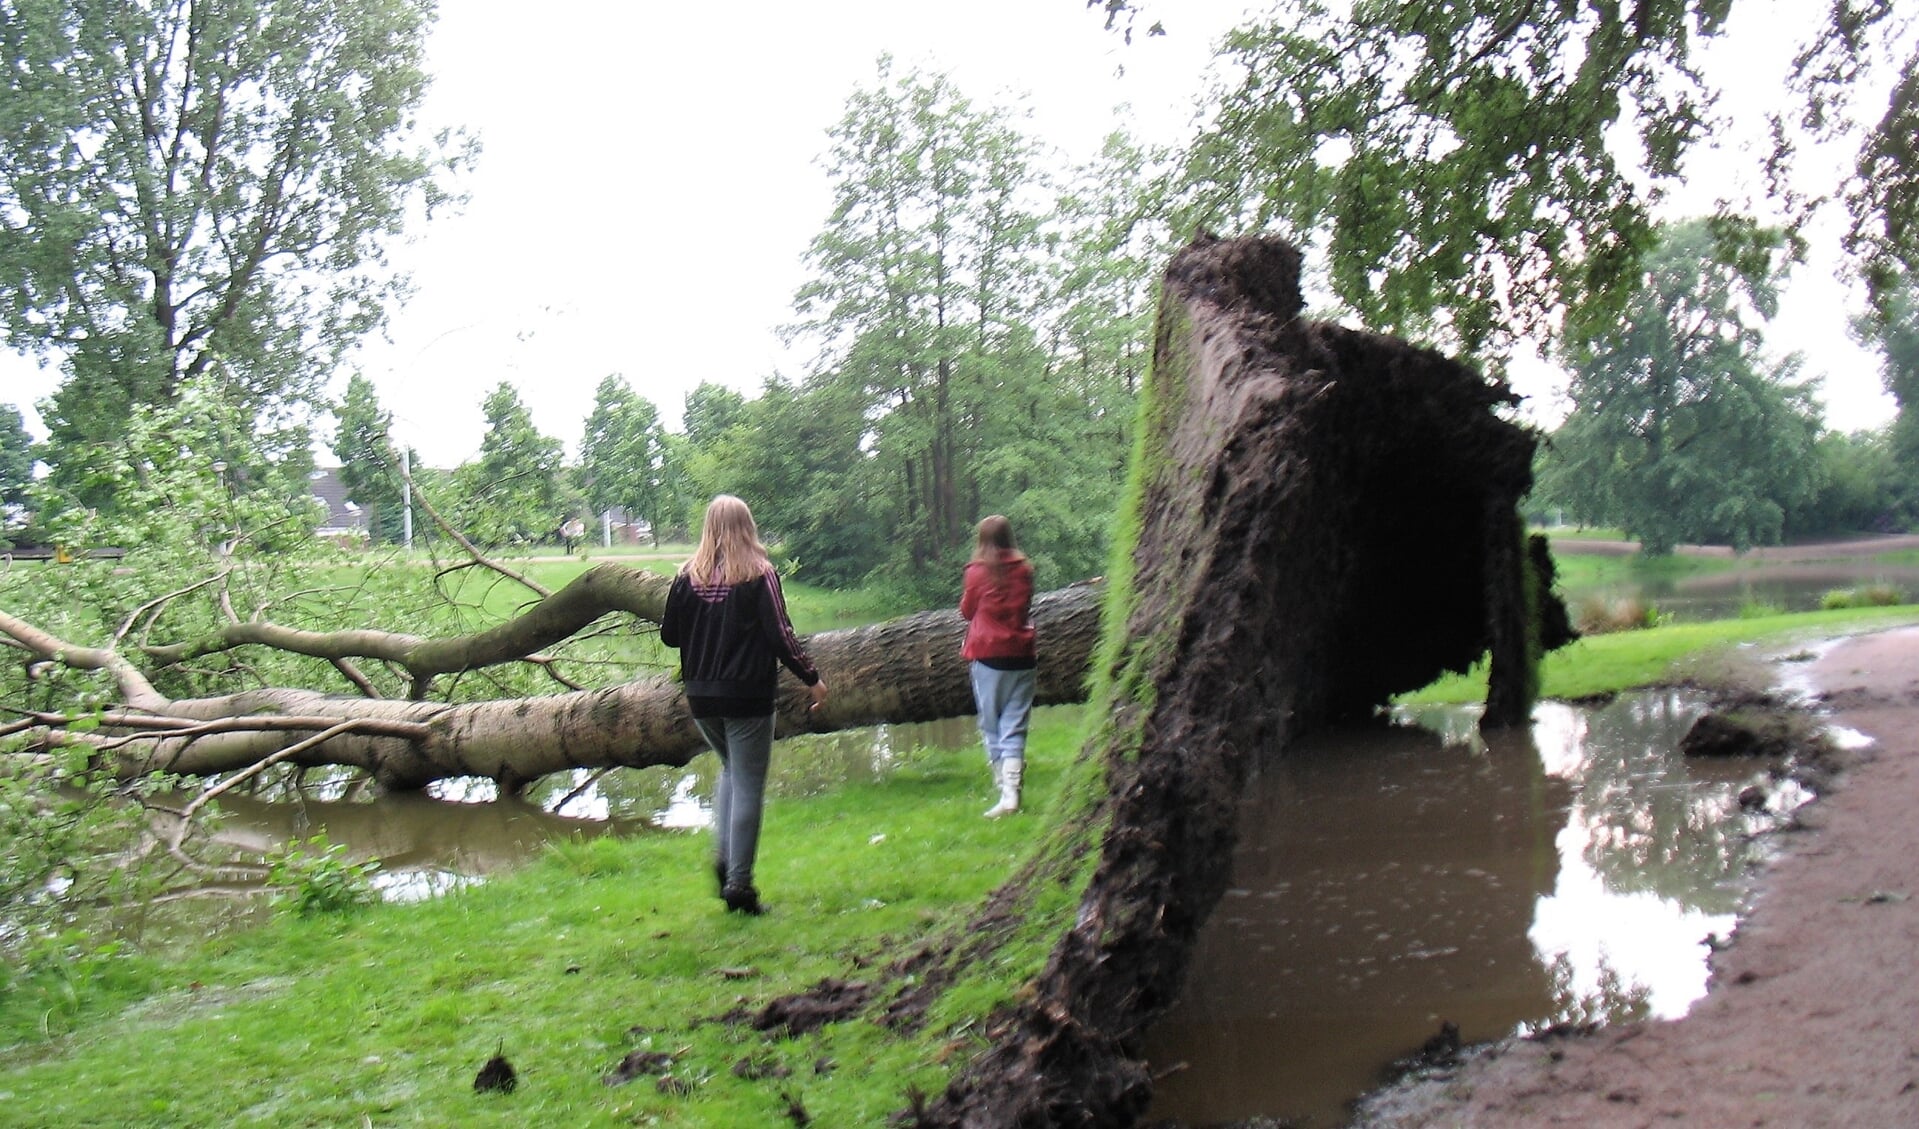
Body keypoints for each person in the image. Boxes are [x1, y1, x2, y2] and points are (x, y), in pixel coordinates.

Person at [659, 495, 828, 914]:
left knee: (733, 770)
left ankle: (724, 857)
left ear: (708, 528)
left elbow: (670, 636)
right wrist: (812, 678)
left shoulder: (686, 578)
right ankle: (740, 884)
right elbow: (781, 636)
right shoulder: (759, 574)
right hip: (748, 694)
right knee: (749, 783)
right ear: (747, 526)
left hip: (701, 697)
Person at [960, 514, 1036, 818]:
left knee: (992, 724)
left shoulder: (976, 573)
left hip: (988, 656)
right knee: (1015, 725)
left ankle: (1005, 794)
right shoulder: (1025, 570)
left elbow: (967, 612)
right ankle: (1012, 795)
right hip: (1023, 655)